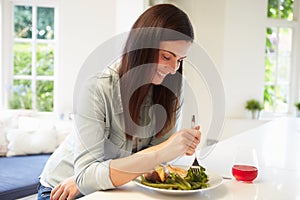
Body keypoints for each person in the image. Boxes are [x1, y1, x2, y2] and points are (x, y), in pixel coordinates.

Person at [37, 3, 201, 200]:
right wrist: (164, 151)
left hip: (118, 187)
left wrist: (171, 149)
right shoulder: (98, 89)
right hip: (63, 190)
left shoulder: (172, 88)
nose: (174, 68)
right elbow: (84, 177)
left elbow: (156, 165)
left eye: (180, 60)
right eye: (167, 56)